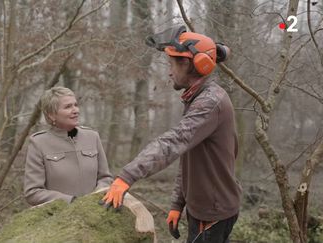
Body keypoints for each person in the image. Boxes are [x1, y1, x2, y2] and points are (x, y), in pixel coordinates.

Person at [100, 26, 242, 243]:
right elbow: (187, 154)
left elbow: (172, 143)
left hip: (213, 213)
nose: (169, 71)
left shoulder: (210, 103)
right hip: (202, 209)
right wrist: (178, 203)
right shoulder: (198, 98)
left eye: (171, 64)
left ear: (186, 63)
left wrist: (126, 177)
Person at [24, 86, 113, 206]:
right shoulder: (39, 143)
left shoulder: (92, 137)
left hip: (95, 213)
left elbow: (105, 178)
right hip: (59, 219)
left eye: (75, 105)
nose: (75, 110)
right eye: (68, 107)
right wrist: (70, 201)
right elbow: (33, 192)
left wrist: (97, 195)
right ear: (51, 115)